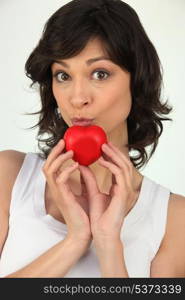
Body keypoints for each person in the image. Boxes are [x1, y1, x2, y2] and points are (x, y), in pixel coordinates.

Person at [0, 0, 184, 278]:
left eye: (100, 74)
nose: (77, 98)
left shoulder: (174, 220)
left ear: (137, 81)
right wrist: (74, 241)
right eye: (63, 75)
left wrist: (109, 245)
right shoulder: (9, 177)